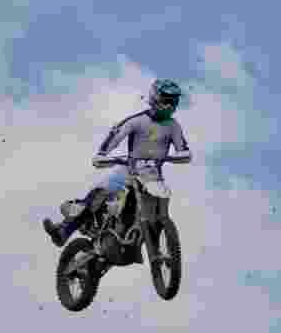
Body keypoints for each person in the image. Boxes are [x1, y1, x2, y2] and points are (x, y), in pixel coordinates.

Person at [42, 78, 192, 248]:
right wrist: (103, 154)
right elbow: (115, 136)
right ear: (156, 98)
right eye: (167, 100)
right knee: (100, 192)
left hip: (152, 176)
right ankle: (63, 231)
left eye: (174, 101)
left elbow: (184, 151)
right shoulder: (137, 120)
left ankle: (153, 249)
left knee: (159, 209)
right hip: (129, 170)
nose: (171, 104)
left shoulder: (173, 126)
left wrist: (172, 158)